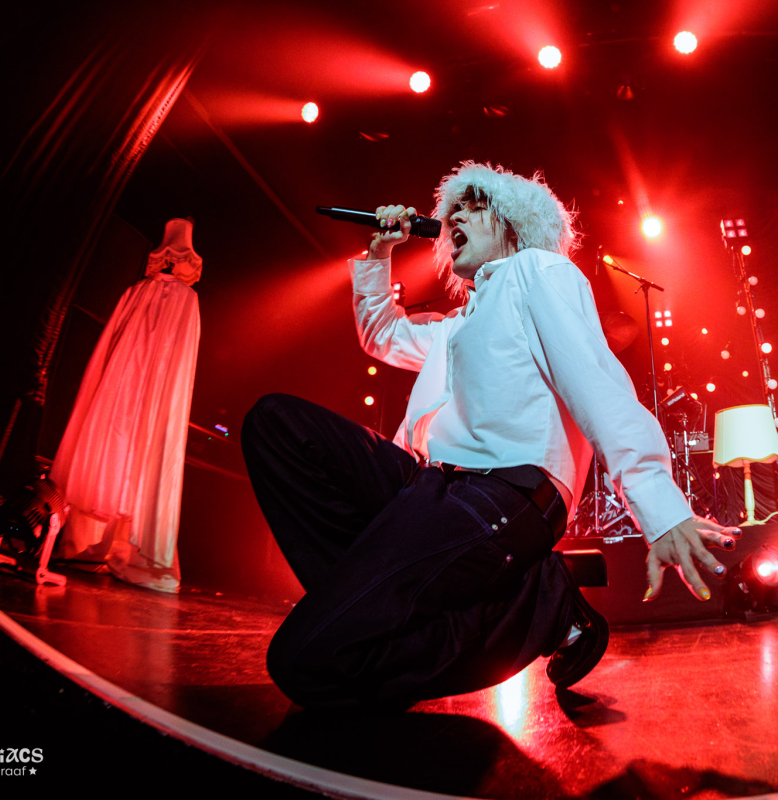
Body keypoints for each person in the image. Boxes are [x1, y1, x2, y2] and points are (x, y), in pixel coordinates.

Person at [241, 161, 740, 709]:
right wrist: (380, 251)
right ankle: (371, 610)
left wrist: (658, 505)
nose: (454, 217)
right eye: (452, 209)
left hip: (503, 492)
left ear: (513, 222)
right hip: (427, 487)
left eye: (473, 206)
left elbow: (597, 381)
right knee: (277, 423)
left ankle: (536, 606)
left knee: (301, 662)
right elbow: (381, 334)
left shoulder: (537, 271)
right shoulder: (456, 325)